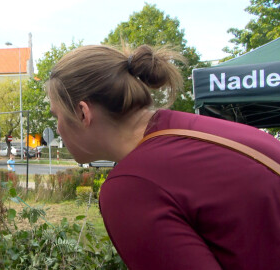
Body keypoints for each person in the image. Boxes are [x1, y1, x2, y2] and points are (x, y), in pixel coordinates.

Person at [46, 44, 280, 269]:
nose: (57, 128)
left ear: (82, 113)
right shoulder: (202, 131)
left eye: (56, 115)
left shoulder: (132, 186)